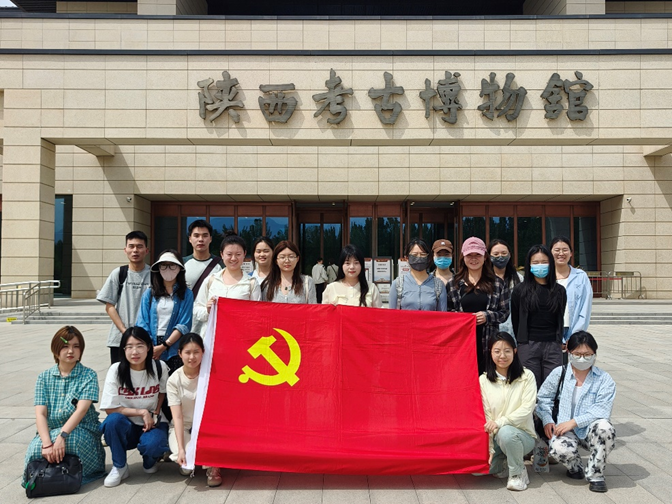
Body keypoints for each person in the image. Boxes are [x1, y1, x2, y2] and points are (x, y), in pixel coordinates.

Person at [23, 326, 106, 487]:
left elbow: (81, 410)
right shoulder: (44, 377)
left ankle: (75, 475)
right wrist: (47, 443)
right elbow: (40, 414)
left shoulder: (88, 375)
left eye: (76, 346)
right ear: (55, 349)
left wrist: (62, 437)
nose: (70, 351)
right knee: (36, 448)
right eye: (65, 346)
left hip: (82, 429)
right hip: (52, 429)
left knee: (71, 442)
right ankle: (39, 479)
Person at [537, 331, 616, 493]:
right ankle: (575, 467)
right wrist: (547, 419)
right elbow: (543, 398)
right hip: (563, 428)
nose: (582, 359)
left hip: (589, 428)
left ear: (594, 354)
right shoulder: (559, 373)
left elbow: (602, 408)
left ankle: (596, 474)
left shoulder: (604, 378)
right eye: (577, 354)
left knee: (605, 428)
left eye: (587, 354)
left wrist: (574, 422)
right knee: (559, 448)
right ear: (569, 353)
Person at [100, 327, 170, 487]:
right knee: (112, 421)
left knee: (154, 445)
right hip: (126, 426)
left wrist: (155, 412)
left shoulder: (159, 367)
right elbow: (110, 408)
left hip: (152, 424)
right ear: (123, 349)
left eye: (140, 346)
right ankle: (119, 466)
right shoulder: (116, 370)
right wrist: (141, 412)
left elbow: (162, 392)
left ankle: (149, 460)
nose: (135, 352)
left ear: (149, 347)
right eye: (129, 347)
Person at [479, 332, 537, 491]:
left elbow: (527, 409)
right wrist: (490, 448)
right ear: (490, 352)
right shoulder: (483, 380)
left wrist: (500, 423)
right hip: (496, 437)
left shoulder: (527, 376)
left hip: (522, 435)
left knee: (506, 433)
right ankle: (505, 462)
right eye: (497, 351)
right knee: (477, 470)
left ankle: (517, 474)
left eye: (507, 351)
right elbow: (486, 414)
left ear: (515, 351)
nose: (502, 356)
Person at [446, 237, 510, 374]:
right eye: (469, 255)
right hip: (461, 343)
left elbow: (504, 312)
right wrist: (462, 318)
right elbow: (447, 313)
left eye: (478, 255)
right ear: (463, 257)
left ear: (485, 257)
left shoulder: (497, 283)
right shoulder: (453, 284)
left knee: (488, 378)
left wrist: (487, 316)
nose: (474, 259)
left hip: (489, 342)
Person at [167, 333, 222, 487]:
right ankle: (188, 459)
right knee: (184, 458)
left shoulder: (210, 375)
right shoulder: (174, 380)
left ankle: (212, 468)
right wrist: (181, 449)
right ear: (180, 353)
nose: (192, 357)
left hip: (207, 426)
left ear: (203, 352)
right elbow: (177, 417)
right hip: (184, 425)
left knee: (206, 450)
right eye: (188, 352)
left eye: (196, 352)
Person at [511, 245, 567, 389]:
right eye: (535, 262)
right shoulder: (520, 290)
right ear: (529, 265)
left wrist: (559, 339)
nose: (540, 266)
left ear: (551, 264)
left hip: (553, 346)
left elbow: (559, 317)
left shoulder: (559, 291)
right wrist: (520, 342)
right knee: (530, 387)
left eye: (544, 262)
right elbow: (516, 320)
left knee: (552, 387)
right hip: (528, 345)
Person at [97, 230, 151, 364]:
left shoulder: (154, 275)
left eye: (139, 246)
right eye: (131, 246)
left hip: (147, 338)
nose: (135, 250)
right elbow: (109, 306)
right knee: (120, 374)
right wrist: (125, 331)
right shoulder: (119, 273)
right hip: (119, 340)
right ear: (125, 250)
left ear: (146, 250)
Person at [136, 249, 194, 374]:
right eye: (164, 265)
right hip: (150, 345)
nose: (168, 269)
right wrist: (150, 346)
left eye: (172, 265)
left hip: (174, 346)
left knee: (173, 381)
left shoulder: (186, 294)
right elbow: (142, 322)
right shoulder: (149, 293)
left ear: (180, 268)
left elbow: (184, 324)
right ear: (158, 268)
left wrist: (164, 346)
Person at [194, 231, 262, 334]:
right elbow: (196, 310)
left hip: (238, 337)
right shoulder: (211, 280)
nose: (233, 258)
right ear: (222, 254)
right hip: (212, 337)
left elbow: (256, 315)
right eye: (229, 254)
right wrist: (207, 310)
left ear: (244, 254)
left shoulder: (251, 283)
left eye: (238, 254)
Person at [550, 236, 593, 345]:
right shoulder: (545, 277)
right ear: (550, 253)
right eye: (557, 250)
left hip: (573, 329)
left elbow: (585, 307)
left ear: (571, 253)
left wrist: (576, 335)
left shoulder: (581, 276)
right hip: (549, 332)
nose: (561, 253)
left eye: (565, 250)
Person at [184, 220, 222, 335]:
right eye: (196, 235)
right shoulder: (181, 264)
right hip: (186, 320)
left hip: (211, 321)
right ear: (190, 239)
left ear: (210, 239)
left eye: (205, 236)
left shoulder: (221, 265)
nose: (201, 239)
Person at [389, 238, 447, 311]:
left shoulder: (439, 285)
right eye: (414, 255)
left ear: (428, 258)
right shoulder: (397, 285)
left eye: (423, 254)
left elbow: (442, 315)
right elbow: (392, 315)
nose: (419, 258)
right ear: (407, 258)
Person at [488, 239, 523, 338]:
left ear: (509, 255)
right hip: (490, 329)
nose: (500, 256)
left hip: (514, 330)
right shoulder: (485, 279)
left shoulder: (519, 279)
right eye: (496, 254)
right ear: (489, 256)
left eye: (504, 253)